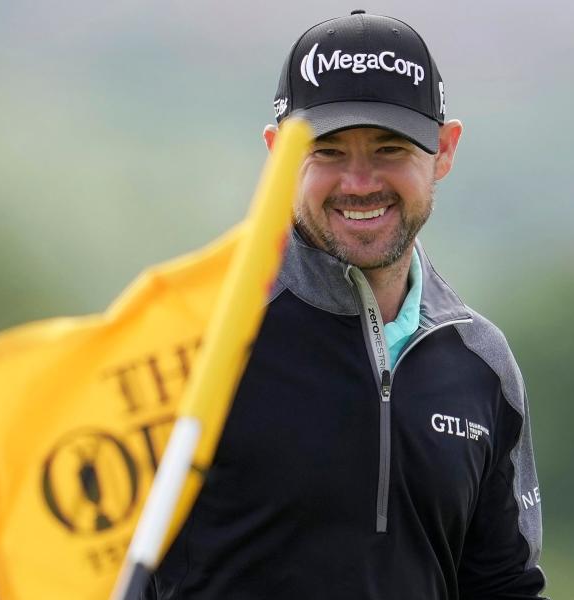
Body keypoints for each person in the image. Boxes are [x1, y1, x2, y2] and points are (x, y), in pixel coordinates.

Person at [147, 10, 547, 599]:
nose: (359, 183)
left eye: (389, 149)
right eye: (328, 151)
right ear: (277, 154)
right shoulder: (200, 337)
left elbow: (504, 588)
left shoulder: (481, 365)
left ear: (444, 149)